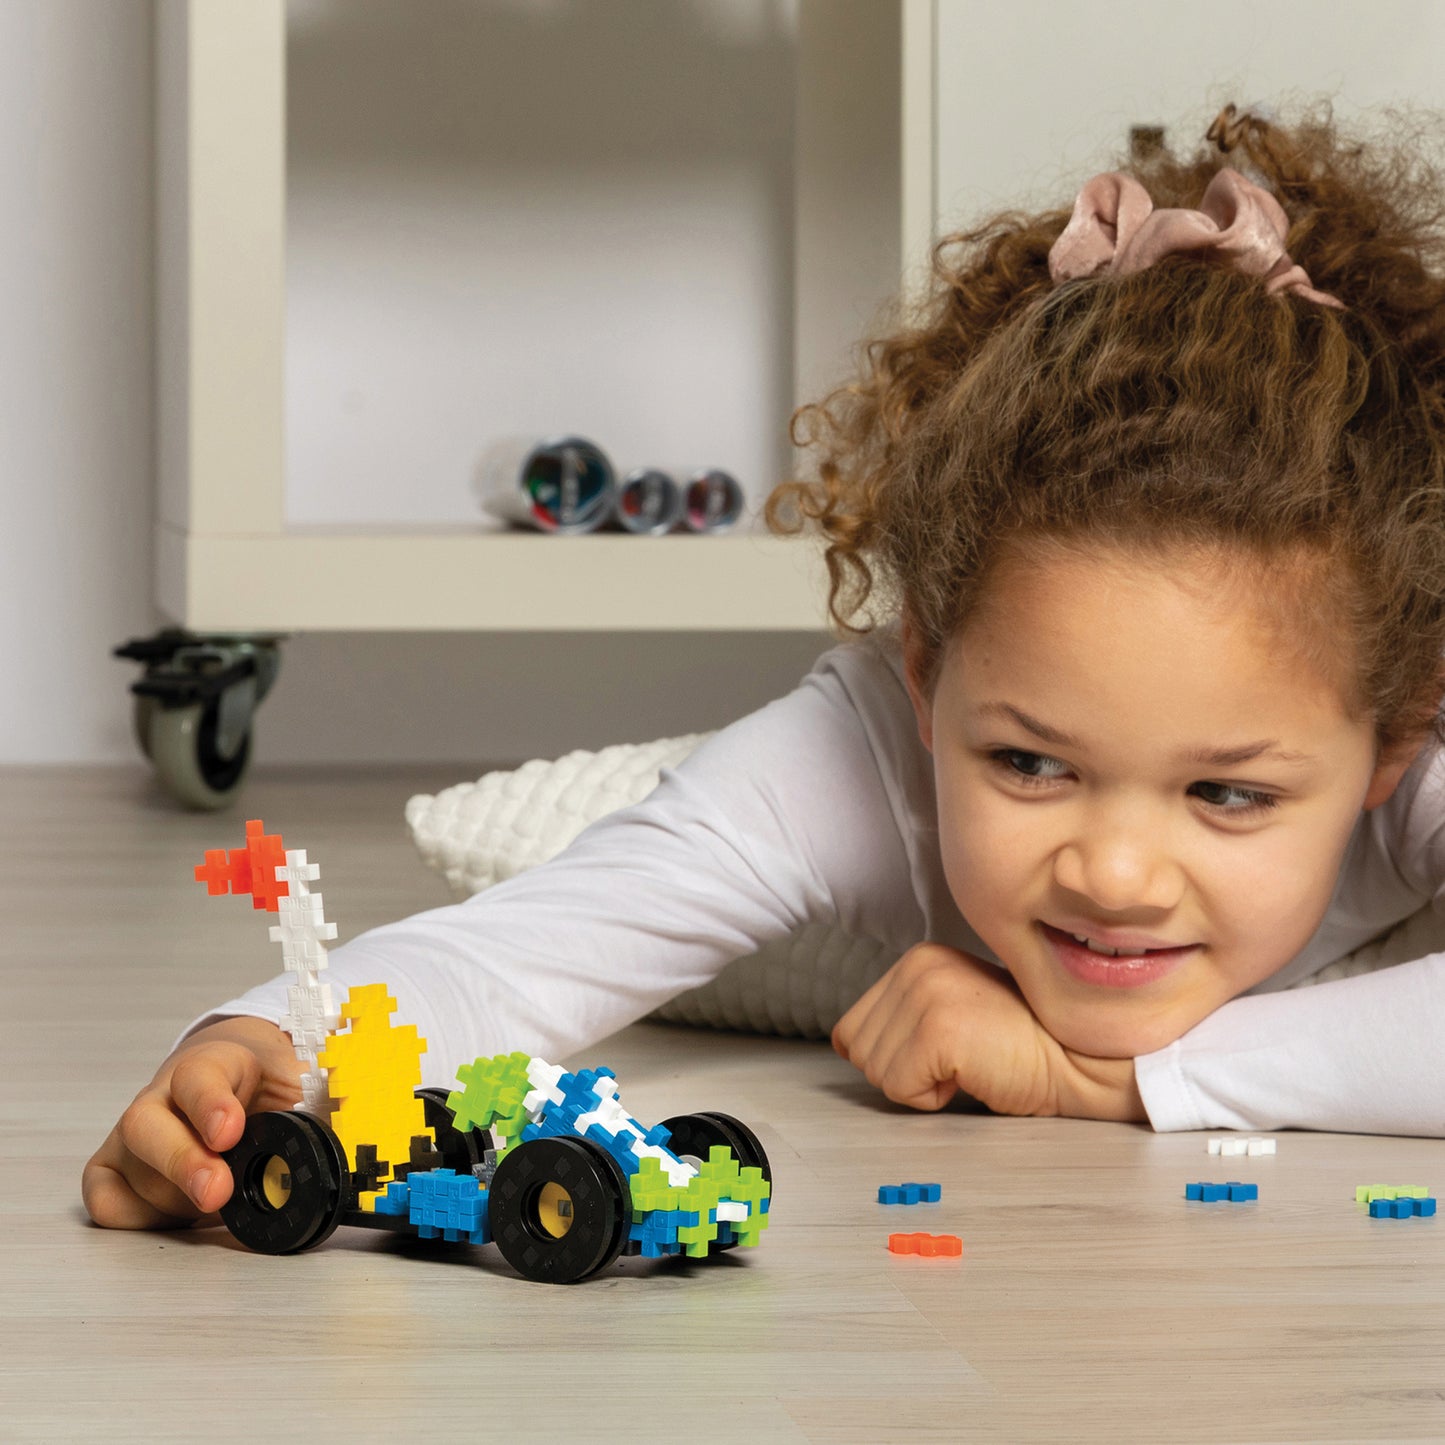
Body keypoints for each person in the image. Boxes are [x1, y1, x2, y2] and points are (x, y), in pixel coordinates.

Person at [84, 99, 1445, 1232]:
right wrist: (265, 1044)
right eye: (1031, 763)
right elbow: (517, 960)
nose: (1116, 874)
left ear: (1394, 737)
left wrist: (1097, 1081)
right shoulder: (862, 751)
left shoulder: (1410, 743)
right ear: (924, 674)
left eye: (1226, 794)